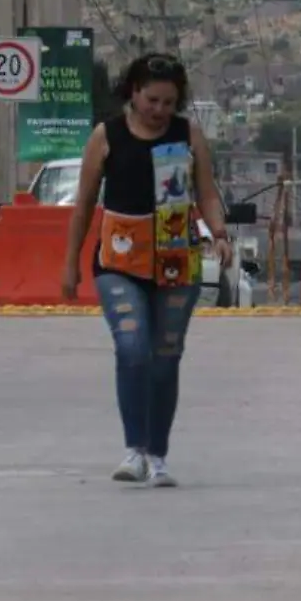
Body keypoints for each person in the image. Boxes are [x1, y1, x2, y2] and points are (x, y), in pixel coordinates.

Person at [61, 53, 232, 489]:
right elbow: (83, 205)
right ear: (133, 93)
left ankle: (158, 455)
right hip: (118, 262)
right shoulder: (107, 136)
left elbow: (207, 193)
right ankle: (133, 450)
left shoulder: (188, 134)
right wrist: (70, 265)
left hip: (176, 262)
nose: (159, 111)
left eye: (168, 102)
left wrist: (219, 232)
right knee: (133, 348)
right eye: (152, 100)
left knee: (165, 357)